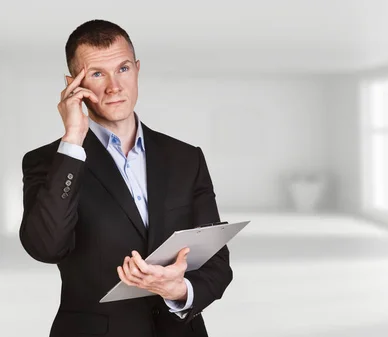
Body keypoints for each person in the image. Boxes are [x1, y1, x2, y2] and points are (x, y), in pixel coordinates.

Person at [19, 19, 232, 337]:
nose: (114, 87)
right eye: (96, 74)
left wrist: (180, 289)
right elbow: (46, 247)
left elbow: (216, 262)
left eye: (123, 69)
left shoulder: (186, 158)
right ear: (73, 83)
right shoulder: (50, 162)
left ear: (137, 69)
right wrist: (74, 138)